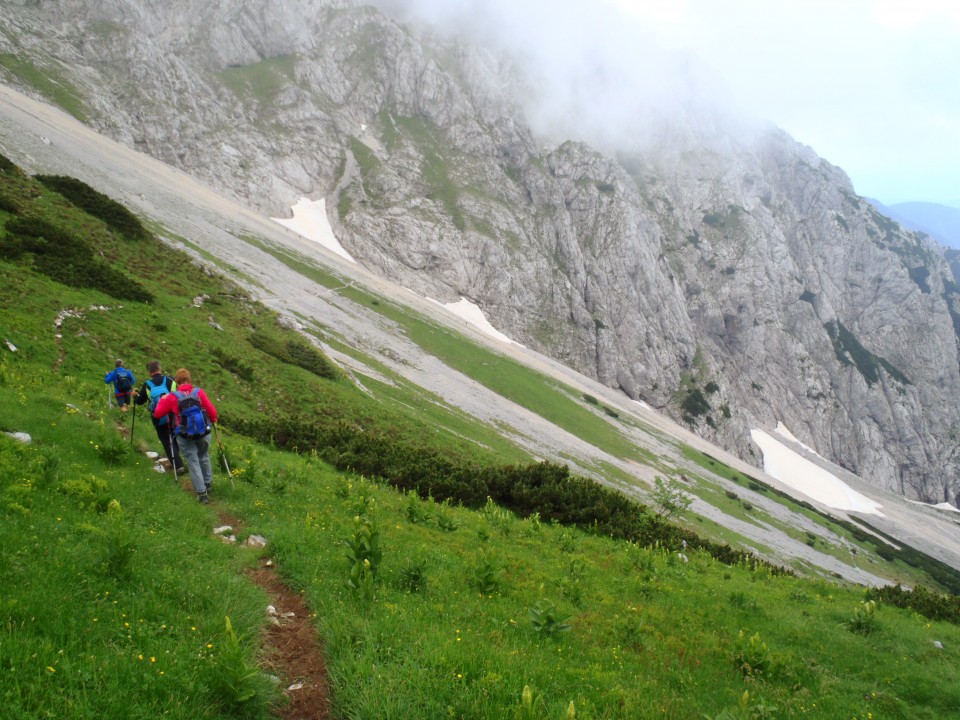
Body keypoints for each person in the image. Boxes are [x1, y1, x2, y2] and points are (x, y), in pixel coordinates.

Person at [153, 368, 219, 504]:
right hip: (203, 431)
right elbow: (212, 411)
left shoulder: (172, 397)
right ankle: (208, 485)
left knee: (193, 461)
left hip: (184, 435)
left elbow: (158, 414)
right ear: (190, 380)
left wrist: (163, 399)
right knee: (204, 456)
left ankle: (202, 494)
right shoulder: (199, 392)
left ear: (176, 382)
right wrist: (213, 420)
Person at [133, 360, 185, 474]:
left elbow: (140, 401)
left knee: (166, 440)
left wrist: (135, 396)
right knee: (174, 436)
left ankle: (178, 465)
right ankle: (177, 461)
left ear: (149, 372)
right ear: (160, 369)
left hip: (158, 416)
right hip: (172, 414)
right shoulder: (170, 381)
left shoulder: (147, 384)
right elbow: (179, 395)